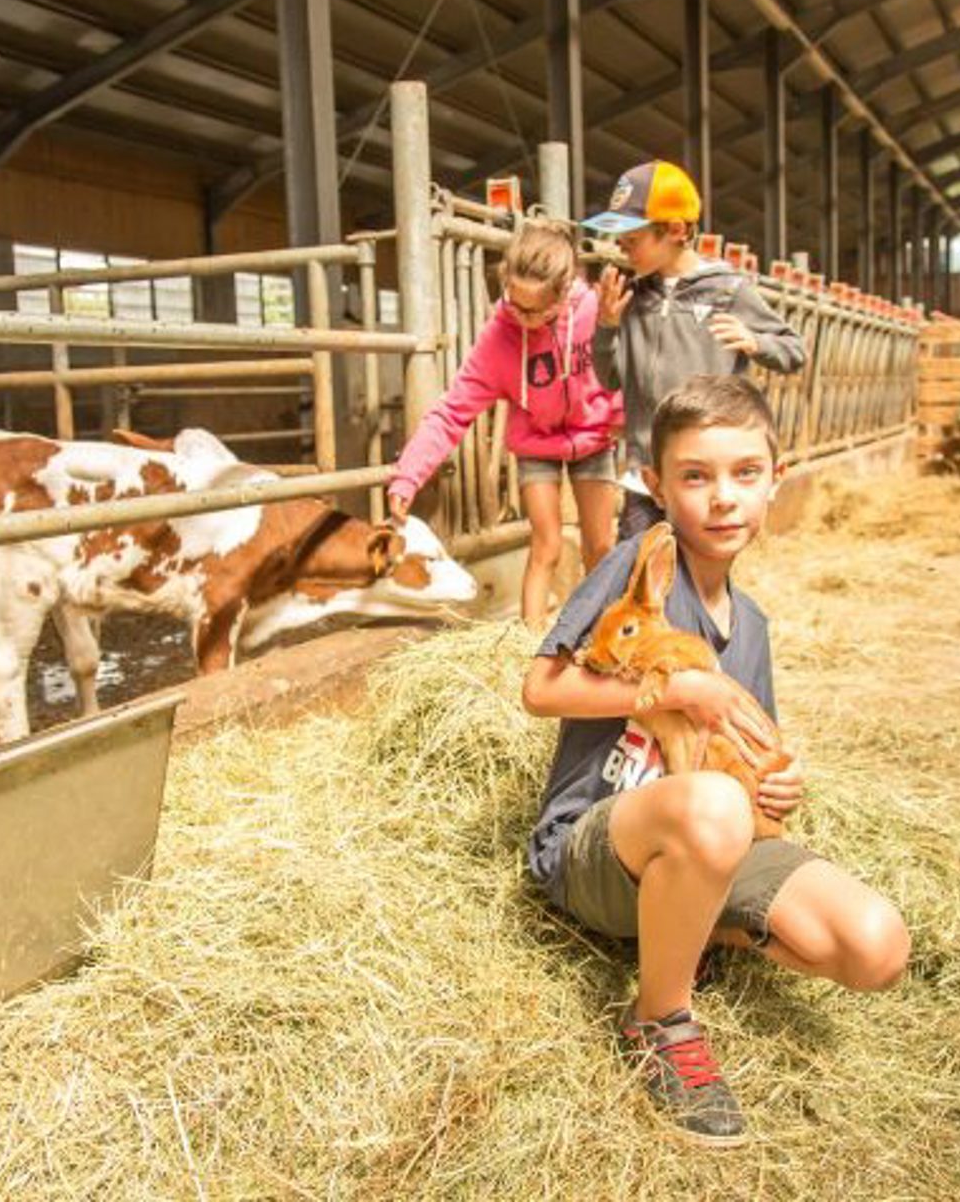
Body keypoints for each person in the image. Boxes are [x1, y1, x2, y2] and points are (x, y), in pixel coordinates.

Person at [522, 375, 909, 1146]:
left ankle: (691, 928)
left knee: (875, 944)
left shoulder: (755, 624)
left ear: (776, 480)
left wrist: (779, 779)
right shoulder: (639, 565)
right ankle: (660, 1019)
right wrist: (681, 690)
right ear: (656, 484)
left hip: (713, 835)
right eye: (695, 476)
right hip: (597, 845)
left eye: (745, 474)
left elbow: (751, 741)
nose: (722, 497)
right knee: (712, 807)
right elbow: (540, 686)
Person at [387, 219, 622, 627]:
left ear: (563, 294)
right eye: (513, 302)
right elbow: (452, 410)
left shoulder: (592, 311)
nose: (521, 316)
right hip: (536, 444)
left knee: (599, 545)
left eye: (534, 309)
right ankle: (529, 651)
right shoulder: (501, 334)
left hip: (593, 437)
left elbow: (629, 368)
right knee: (546, 543)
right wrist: (409, 474)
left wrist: (619, 417)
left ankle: (601, 634)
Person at [583, 160, 806, 540]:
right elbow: (610, 378)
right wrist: (606, 328)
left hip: (703, 470)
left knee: (697, 572)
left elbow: (793, 350)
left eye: (631, 240)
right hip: (647, 470)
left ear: (675, 229)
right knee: (638, 569)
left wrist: (756, 343)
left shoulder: (727, 290)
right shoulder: (634, 297)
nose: (622, 249)